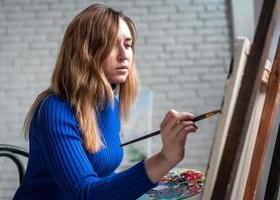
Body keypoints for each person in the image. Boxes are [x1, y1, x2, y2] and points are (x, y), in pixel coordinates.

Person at [13, 4, 198, 200]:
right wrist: (164, 158)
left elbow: (104, 177)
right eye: (111, 44)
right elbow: (84, 194)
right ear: (85, 52)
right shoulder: (55, 110)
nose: (124, 54)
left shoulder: (111, 106)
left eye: (127, 44)